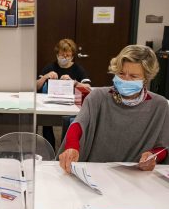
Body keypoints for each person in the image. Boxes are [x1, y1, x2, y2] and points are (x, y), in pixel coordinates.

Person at [59, 45, 169, 173]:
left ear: (146, 78)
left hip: (135, 176)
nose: (125, 79)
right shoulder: (98, 97)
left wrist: (153, 156)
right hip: (94, 171)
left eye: (133, 76)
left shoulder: (159, 105)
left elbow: (164, 146)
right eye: (121, 73)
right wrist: (71, 146)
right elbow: (78, 124)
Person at [37, 39, 90, 150]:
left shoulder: (77, 69)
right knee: (46, 123)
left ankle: (64, 149)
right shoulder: (50, 67)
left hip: (70, 107)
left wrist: (73, 82)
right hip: (50, 105)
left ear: (72, 55)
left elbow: (88, 88)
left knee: (69, 123)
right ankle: (50, 149)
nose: (64, 57)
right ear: (57, 54)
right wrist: (46, 76)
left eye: (67, 55)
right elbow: (36, 86)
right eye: (62, 54)